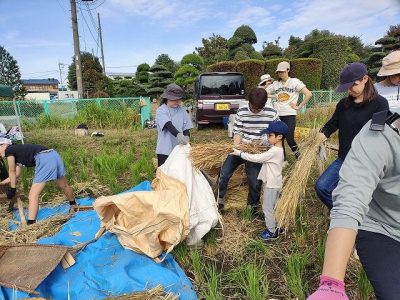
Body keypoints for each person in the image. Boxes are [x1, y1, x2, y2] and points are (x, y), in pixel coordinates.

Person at [308, 109, 400, 300]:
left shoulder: (377, 102)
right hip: (383, 225)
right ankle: (347, 230)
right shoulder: (382, 130)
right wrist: (331, 284)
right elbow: (351, 196)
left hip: (358, 160)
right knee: (323, 186)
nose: (350, 88)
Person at [315, 62, 389, 210]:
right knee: (322, 187)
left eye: (353, 85)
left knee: (364, 196)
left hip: (367, 162)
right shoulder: (343, 104)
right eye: (346, 87)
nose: (349, 90)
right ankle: (343, 216)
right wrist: (320, 136)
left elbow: (378, 134)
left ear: (365, 79)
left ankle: (361, 222)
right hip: (344, 158)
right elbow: (331, 125)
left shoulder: (380, 104)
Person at [217, 87, 279, 213]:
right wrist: (237, 147)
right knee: (224, 173)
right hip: (242, 146)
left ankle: (252, 206)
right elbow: (238, 132)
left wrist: (267, 143)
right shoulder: (242, 111)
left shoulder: (272, 113)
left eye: (259, 109)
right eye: (254, 108)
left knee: (255, 181)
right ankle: (219, 199)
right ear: (249, 102)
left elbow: (277, 133)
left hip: (259, 151)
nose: (256, 111)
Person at [231, 120, 288, 240]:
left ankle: (271, 231)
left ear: (279, 137)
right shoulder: (278, 149)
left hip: (272, 185)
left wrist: (240, 154)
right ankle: (277, 226)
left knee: (267, 208)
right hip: (275, 183)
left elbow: (257, 158)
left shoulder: (274, 151)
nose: (267, 137)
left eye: (270, 135)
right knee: (273, 206)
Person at [0, 138, 76, 223]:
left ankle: (31, 223)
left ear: (4, 145)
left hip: (43, 158)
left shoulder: (9, 150)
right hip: (53, 154)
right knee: (64, 185)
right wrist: (2, 183)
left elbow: (11, 170)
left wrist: (13, 189)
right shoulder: (17, 151)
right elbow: (15, 174)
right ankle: (74, 205)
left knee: (33, 195)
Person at [266, 61, 312, 159]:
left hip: (290, 115)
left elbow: (308, 94)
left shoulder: (294, 82)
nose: (280, 74)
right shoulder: (275, 84)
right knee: (279, 140)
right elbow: (264, 93)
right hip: (277, 115)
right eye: (278, 72)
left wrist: (299, 107)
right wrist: (274, 96)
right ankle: (283, 161)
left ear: (288, 70)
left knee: (290, 139)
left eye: (282, 71)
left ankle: (299, 157)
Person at [155, 83, 193, 167]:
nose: (177, 102)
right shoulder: (161, 110)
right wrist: (178, 134)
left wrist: (186, 136)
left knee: (178, 172)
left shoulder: (182, 110)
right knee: (164, 173)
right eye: (174, 99)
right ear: (167, 98)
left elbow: (186, 127)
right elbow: (168, 125)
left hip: (179, 148)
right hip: (165, 149)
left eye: (179, 99)